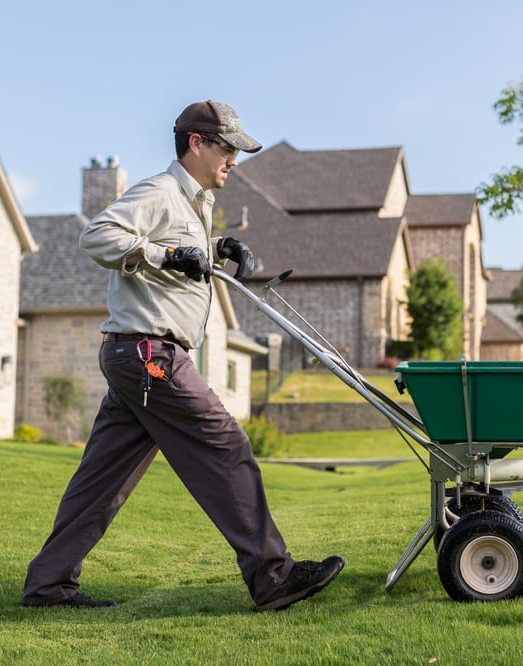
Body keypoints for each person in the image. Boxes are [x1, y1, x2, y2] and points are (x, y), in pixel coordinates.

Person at [22, 100, 343, 612]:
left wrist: (218, 248)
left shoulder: (193, 201)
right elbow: (97, 235)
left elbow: (177, 249)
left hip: (137, 355)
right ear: (197, 143)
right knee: (227, 448)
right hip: (152, 355)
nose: (234, 160)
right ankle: (273, 576)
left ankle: (47, 585)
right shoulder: (159, 190)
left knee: (101, 481)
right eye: (228, 147)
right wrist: (165, 254)